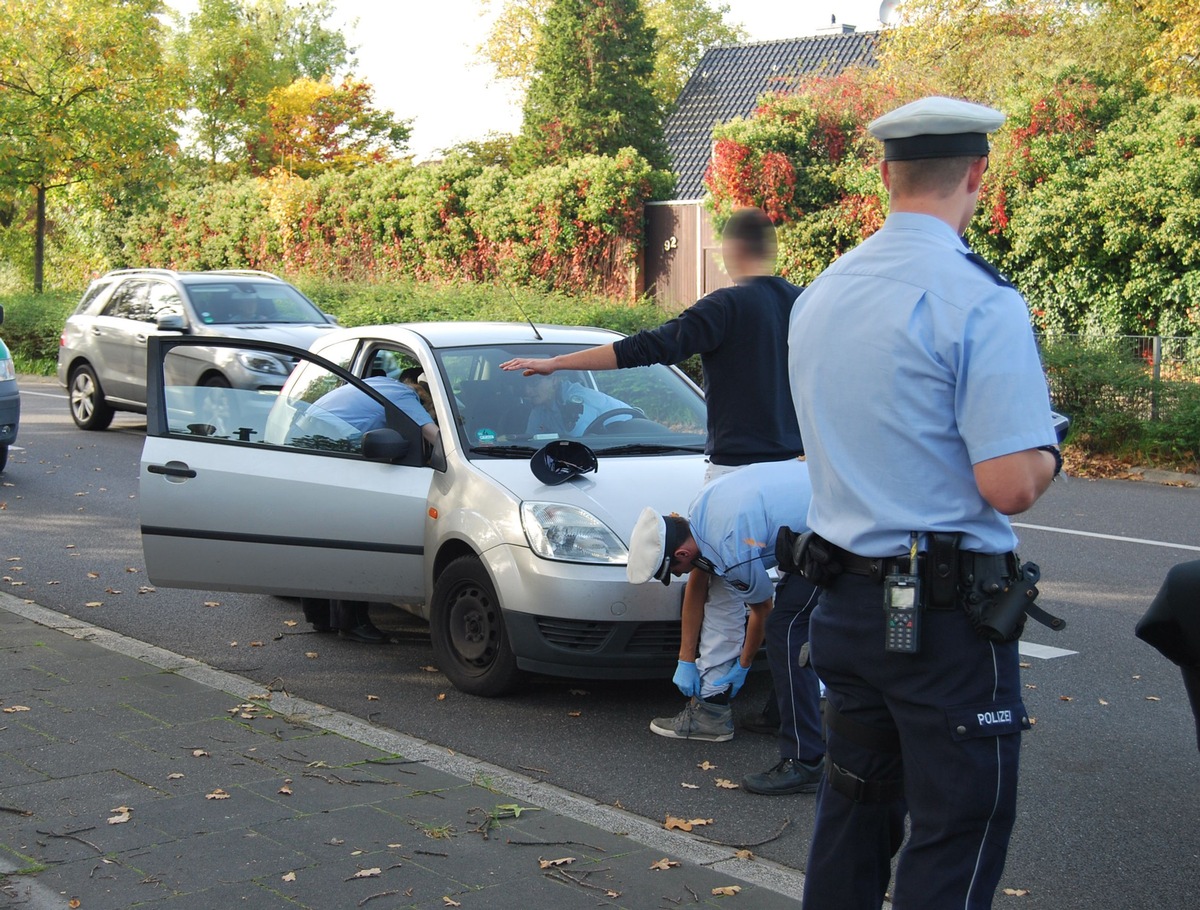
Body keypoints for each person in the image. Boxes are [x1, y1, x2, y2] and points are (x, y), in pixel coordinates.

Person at [787, 96, 1063, 910]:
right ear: (977, 175)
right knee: (958, 825)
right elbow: (1009, 484)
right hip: (940, 623)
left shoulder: (823, 293)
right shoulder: (979, 299)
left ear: (885, 176)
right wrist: (1049, 444)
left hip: (842, 602)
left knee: (853, 812)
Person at [501, 206, 807, 737]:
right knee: (803, 589)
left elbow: (646, 347)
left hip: (736, 473)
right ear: (771, 247)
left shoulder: (728, 305)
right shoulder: (806, 303)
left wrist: (557, 363)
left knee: (723, 593)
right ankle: (796, 710)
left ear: (729, 251)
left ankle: (711, 709)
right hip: (799, 473)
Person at [627, 459, 826, 795]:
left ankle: (805, 762)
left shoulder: (730, 550)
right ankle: (781, 713)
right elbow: (697, 586)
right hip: (810, 512)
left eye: (674, 571)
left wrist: (743, 666)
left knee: (786, 630)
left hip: (832, 523)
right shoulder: (701, 514)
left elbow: (762, 611)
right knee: (789, 623)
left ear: (682, 552)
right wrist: (685, 659)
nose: (678, 576)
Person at [523, 373, 635, 436]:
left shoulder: (578, 400)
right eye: (523, 385)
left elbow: (579, 444)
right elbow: (531, 439)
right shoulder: (541, 407)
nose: (527, 391)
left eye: (534, 382)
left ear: (554, 380)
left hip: (634, 438)